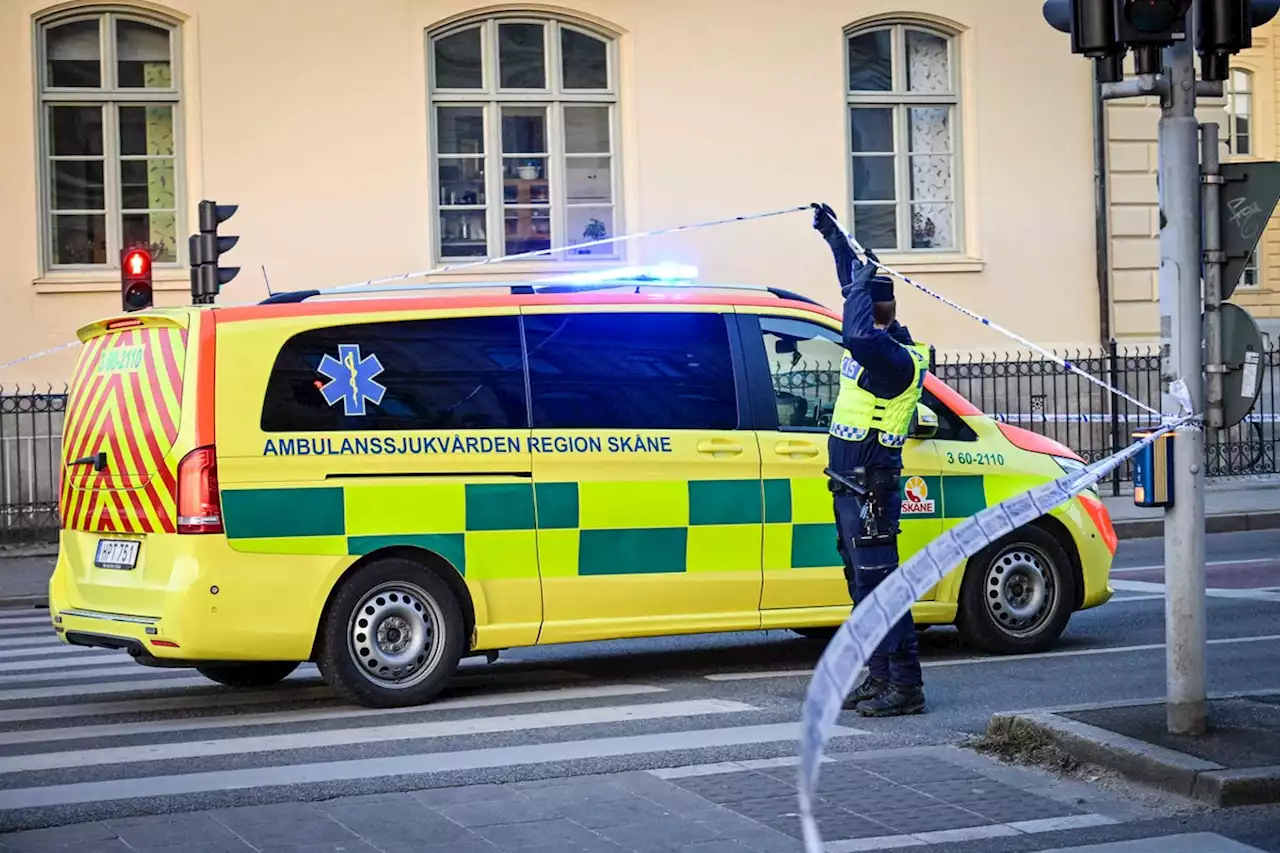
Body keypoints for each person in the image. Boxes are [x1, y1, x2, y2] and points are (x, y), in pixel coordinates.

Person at [811, 202, 929, 717]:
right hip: (850, 484)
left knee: (883, 587)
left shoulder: (892, 358)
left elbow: (855, 330)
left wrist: (861, 284)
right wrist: (837, 240)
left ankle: (906, 686)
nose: (851, 306)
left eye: (859, 300)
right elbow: (854, 305)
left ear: (875, 308)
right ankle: (879, 677)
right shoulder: (879, 342)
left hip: (873, 489)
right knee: (862, 585)